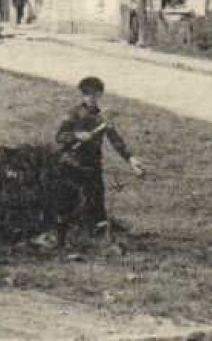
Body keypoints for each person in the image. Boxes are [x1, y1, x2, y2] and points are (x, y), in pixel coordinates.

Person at [54, 75, 145, 245]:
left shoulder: (102, 118)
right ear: (82, 95)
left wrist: (131, 159)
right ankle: (60, 242)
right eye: (87, 94)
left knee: (97, 203)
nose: (91, 98)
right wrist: (76, 135)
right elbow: (60, 137)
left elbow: (116, 140)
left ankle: (98, 241)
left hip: (92, 166)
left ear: (100, 95)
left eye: (95, 94)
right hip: (71, 164)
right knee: (66, 203)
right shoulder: (73, 114)